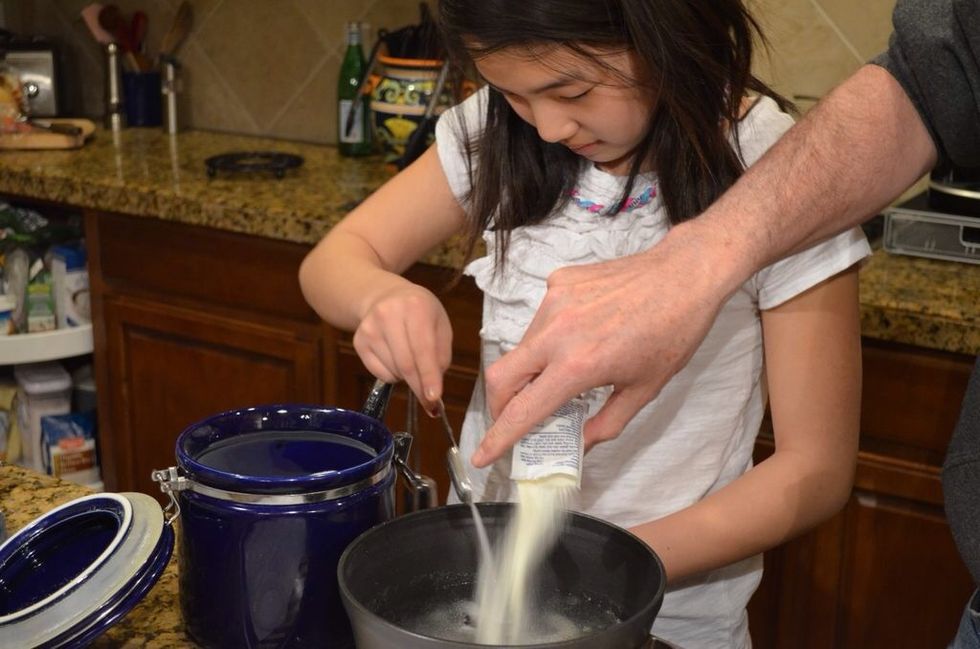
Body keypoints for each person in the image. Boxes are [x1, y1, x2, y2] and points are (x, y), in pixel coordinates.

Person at [300, 0, 871, 645]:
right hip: (481, 594)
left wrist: (602, 564)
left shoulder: (784, 173)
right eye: (511, 93)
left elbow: (816, 470)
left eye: (570, 90)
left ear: (667, 33)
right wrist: (379, 298)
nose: (545, 127)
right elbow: (332, 263)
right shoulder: (494, 132)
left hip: (673, 617)